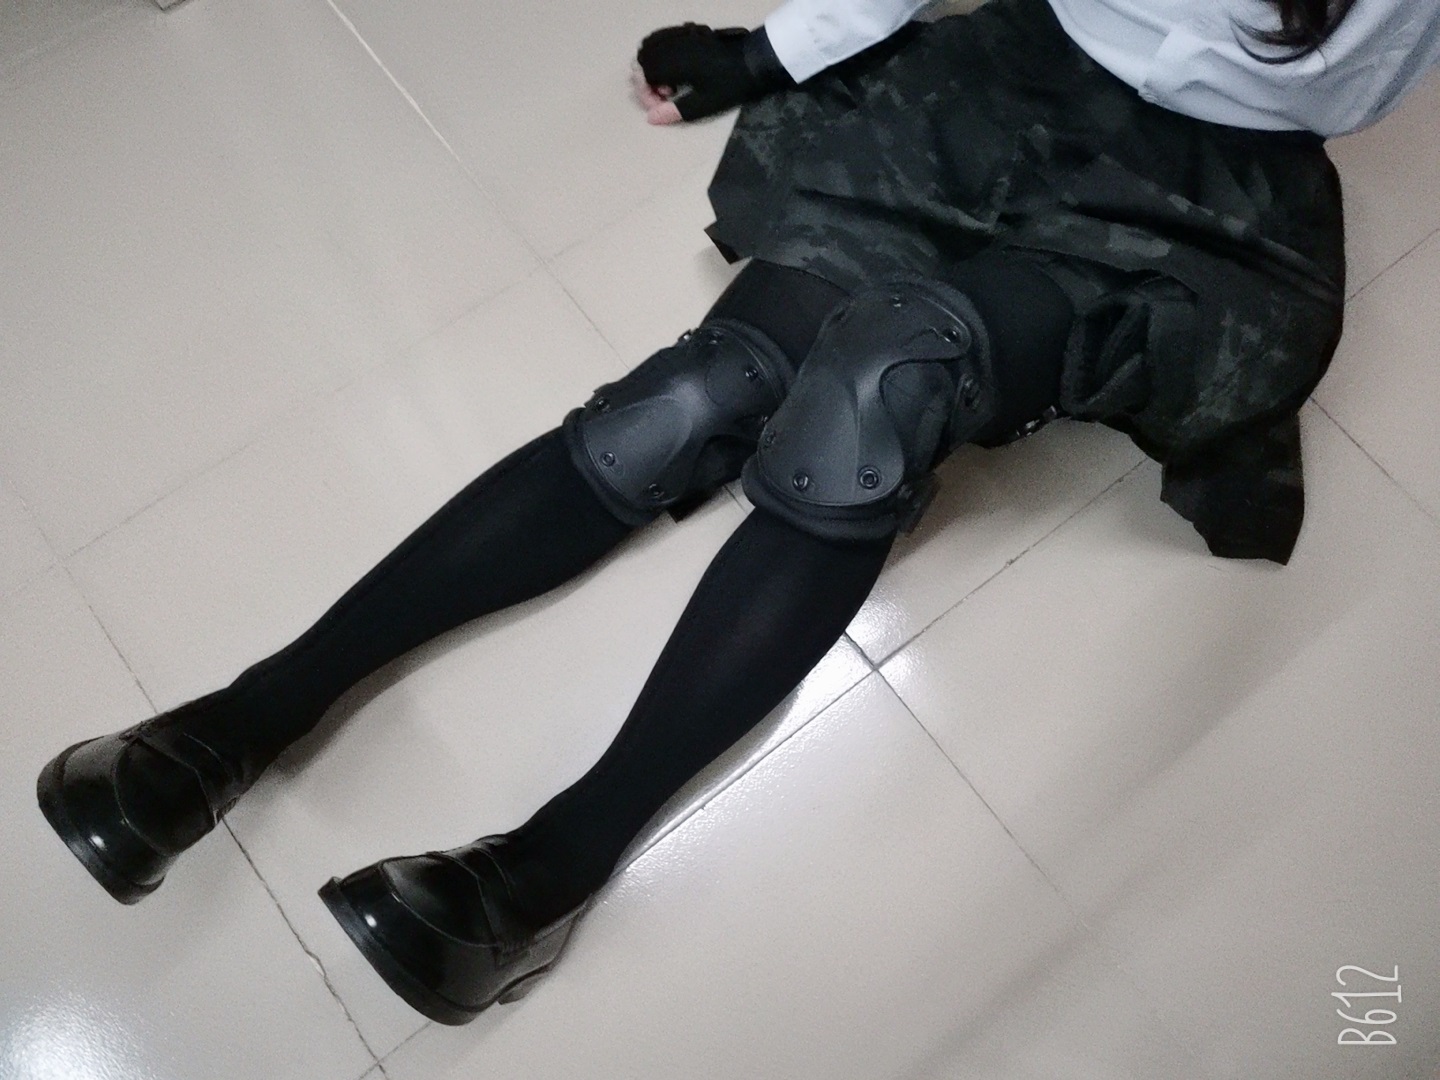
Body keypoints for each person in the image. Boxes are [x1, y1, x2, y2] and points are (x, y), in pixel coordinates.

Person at [36, 0, 1439, 1027]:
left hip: (1209, 194)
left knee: (880, 391)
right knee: (692, 399)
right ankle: (243, 721)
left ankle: (551, 871)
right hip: (1000, 90)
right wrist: (771, 53)